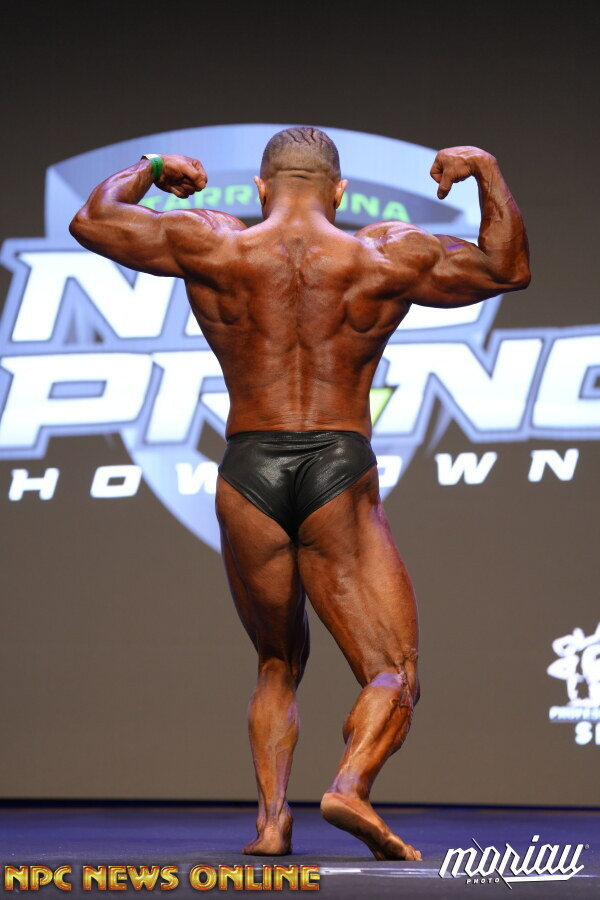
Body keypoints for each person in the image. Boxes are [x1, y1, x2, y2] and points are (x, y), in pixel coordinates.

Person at [70, 126, 530, 861]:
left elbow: (93, 220)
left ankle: (271, 823)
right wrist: (484, 168)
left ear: (260, 189)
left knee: (276, 661)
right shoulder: (383, 253)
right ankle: (349, 785)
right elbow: (507, 269)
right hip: (336, 466)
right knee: (393, 670)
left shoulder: (211, 241)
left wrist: (152, 167)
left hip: (248, 466)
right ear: (339, 191)